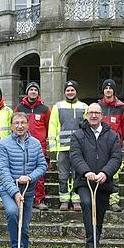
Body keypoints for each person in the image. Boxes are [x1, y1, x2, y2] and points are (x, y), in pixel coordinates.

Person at [69, 103, 122, 248]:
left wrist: (106, 173)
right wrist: (86, 172)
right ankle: (91, 244)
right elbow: (75, 156)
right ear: (86, 115)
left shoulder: (112, 135)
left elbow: (116, 157)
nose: (93, 115)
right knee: (87, 203)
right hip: (84, 181)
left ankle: (94, 245)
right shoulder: (78, 135)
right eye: (90, 112)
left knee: (99, 214)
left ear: (101, 115)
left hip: (103, 182)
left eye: (96, 113)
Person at [0, 112, 48, 248]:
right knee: (13, 212)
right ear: (11, 125)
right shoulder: (3, 143)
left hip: (28, 190)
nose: (20, 126)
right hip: (8, 189)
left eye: (23, 123)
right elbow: (3, 170)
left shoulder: (36, 143)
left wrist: (30, 177)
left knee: (24, 227)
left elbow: (42, 165)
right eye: (16, 123)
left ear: (27, 124)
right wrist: (14, 192)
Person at [48, 80, 88, 212]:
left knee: (78, 174)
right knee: (63, 175)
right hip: (62, 147)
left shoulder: (84, 107)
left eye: (72, 90)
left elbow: (87, 127)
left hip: (79, 148)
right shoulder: (57, 106)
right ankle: (64, 200)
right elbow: (53, 125)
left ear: (76, 91)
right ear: (65, 92)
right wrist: (53, 147)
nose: (70, 92)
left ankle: (76, 200)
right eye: (68, 90)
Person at [14, 82, 50, 211]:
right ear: (27, 92)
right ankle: (21, 198)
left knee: (39, 175)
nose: (33, 92)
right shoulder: (19, 108)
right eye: (31, 90)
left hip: (39, 146)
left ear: (38, 93)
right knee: (22, 172)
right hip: (22, 144)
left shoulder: (45, 109)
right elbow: (14, 125)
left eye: (35, 90)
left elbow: (48, 126)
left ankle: (39, 199)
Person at [98, 79, 124, 212]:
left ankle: (114, 201)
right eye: (106, 88)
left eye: (110, 88)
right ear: (103, 90)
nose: (108, 90)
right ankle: (100, 199)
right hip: (98, 146)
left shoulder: (122, 107)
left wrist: (119, 141)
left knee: (114, 174)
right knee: (100, 173)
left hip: (114, 146)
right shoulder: (98, 106)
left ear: (114, 91)